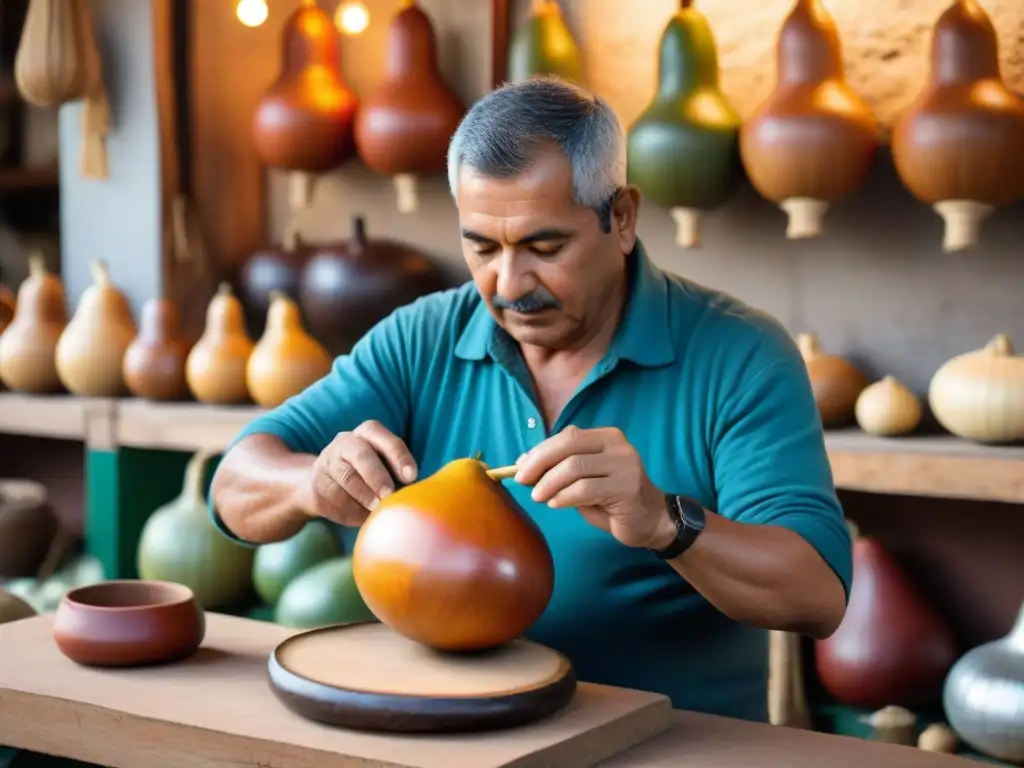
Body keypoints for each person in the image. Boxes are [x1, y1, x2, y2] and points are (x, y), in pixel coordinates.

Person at [210, 76, 851, 722]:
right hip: (446, 736)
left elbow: (817, 596)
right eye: (481, 247)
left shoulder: (741, 356)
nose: (510, 284)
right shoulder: (423, 337)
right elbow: (235, 483)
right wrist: (308, 485)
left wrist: (663, 521)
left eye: (545, 247)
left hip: (666, 747)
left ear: (622, 218)